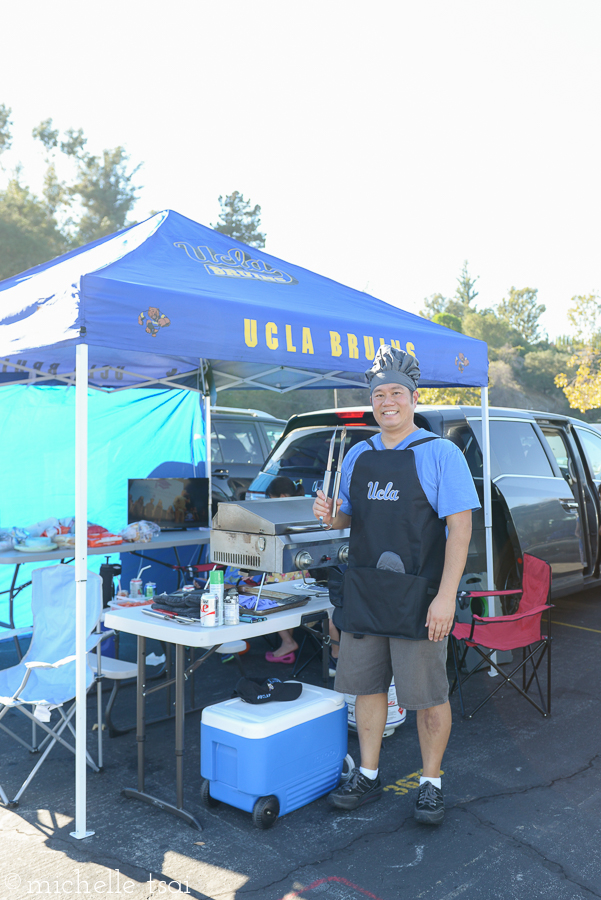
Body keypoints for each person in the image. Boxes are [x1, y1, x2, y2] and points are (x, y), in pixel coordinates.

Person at [313, 344, 479, 825]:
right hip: (365, 593)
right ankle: (367, 775)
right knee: (366, 690)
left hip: (421, 597)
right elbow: (348, 519)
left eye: (396, 393)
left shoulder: (440, 452)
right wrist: (331, 516)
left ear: (414, 397)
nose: (387, 401)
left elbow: (461, 529)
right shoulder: (358, 455)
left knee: (427, 695)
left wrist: (446, 597)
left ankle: (430, 783)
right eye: (379, 393)